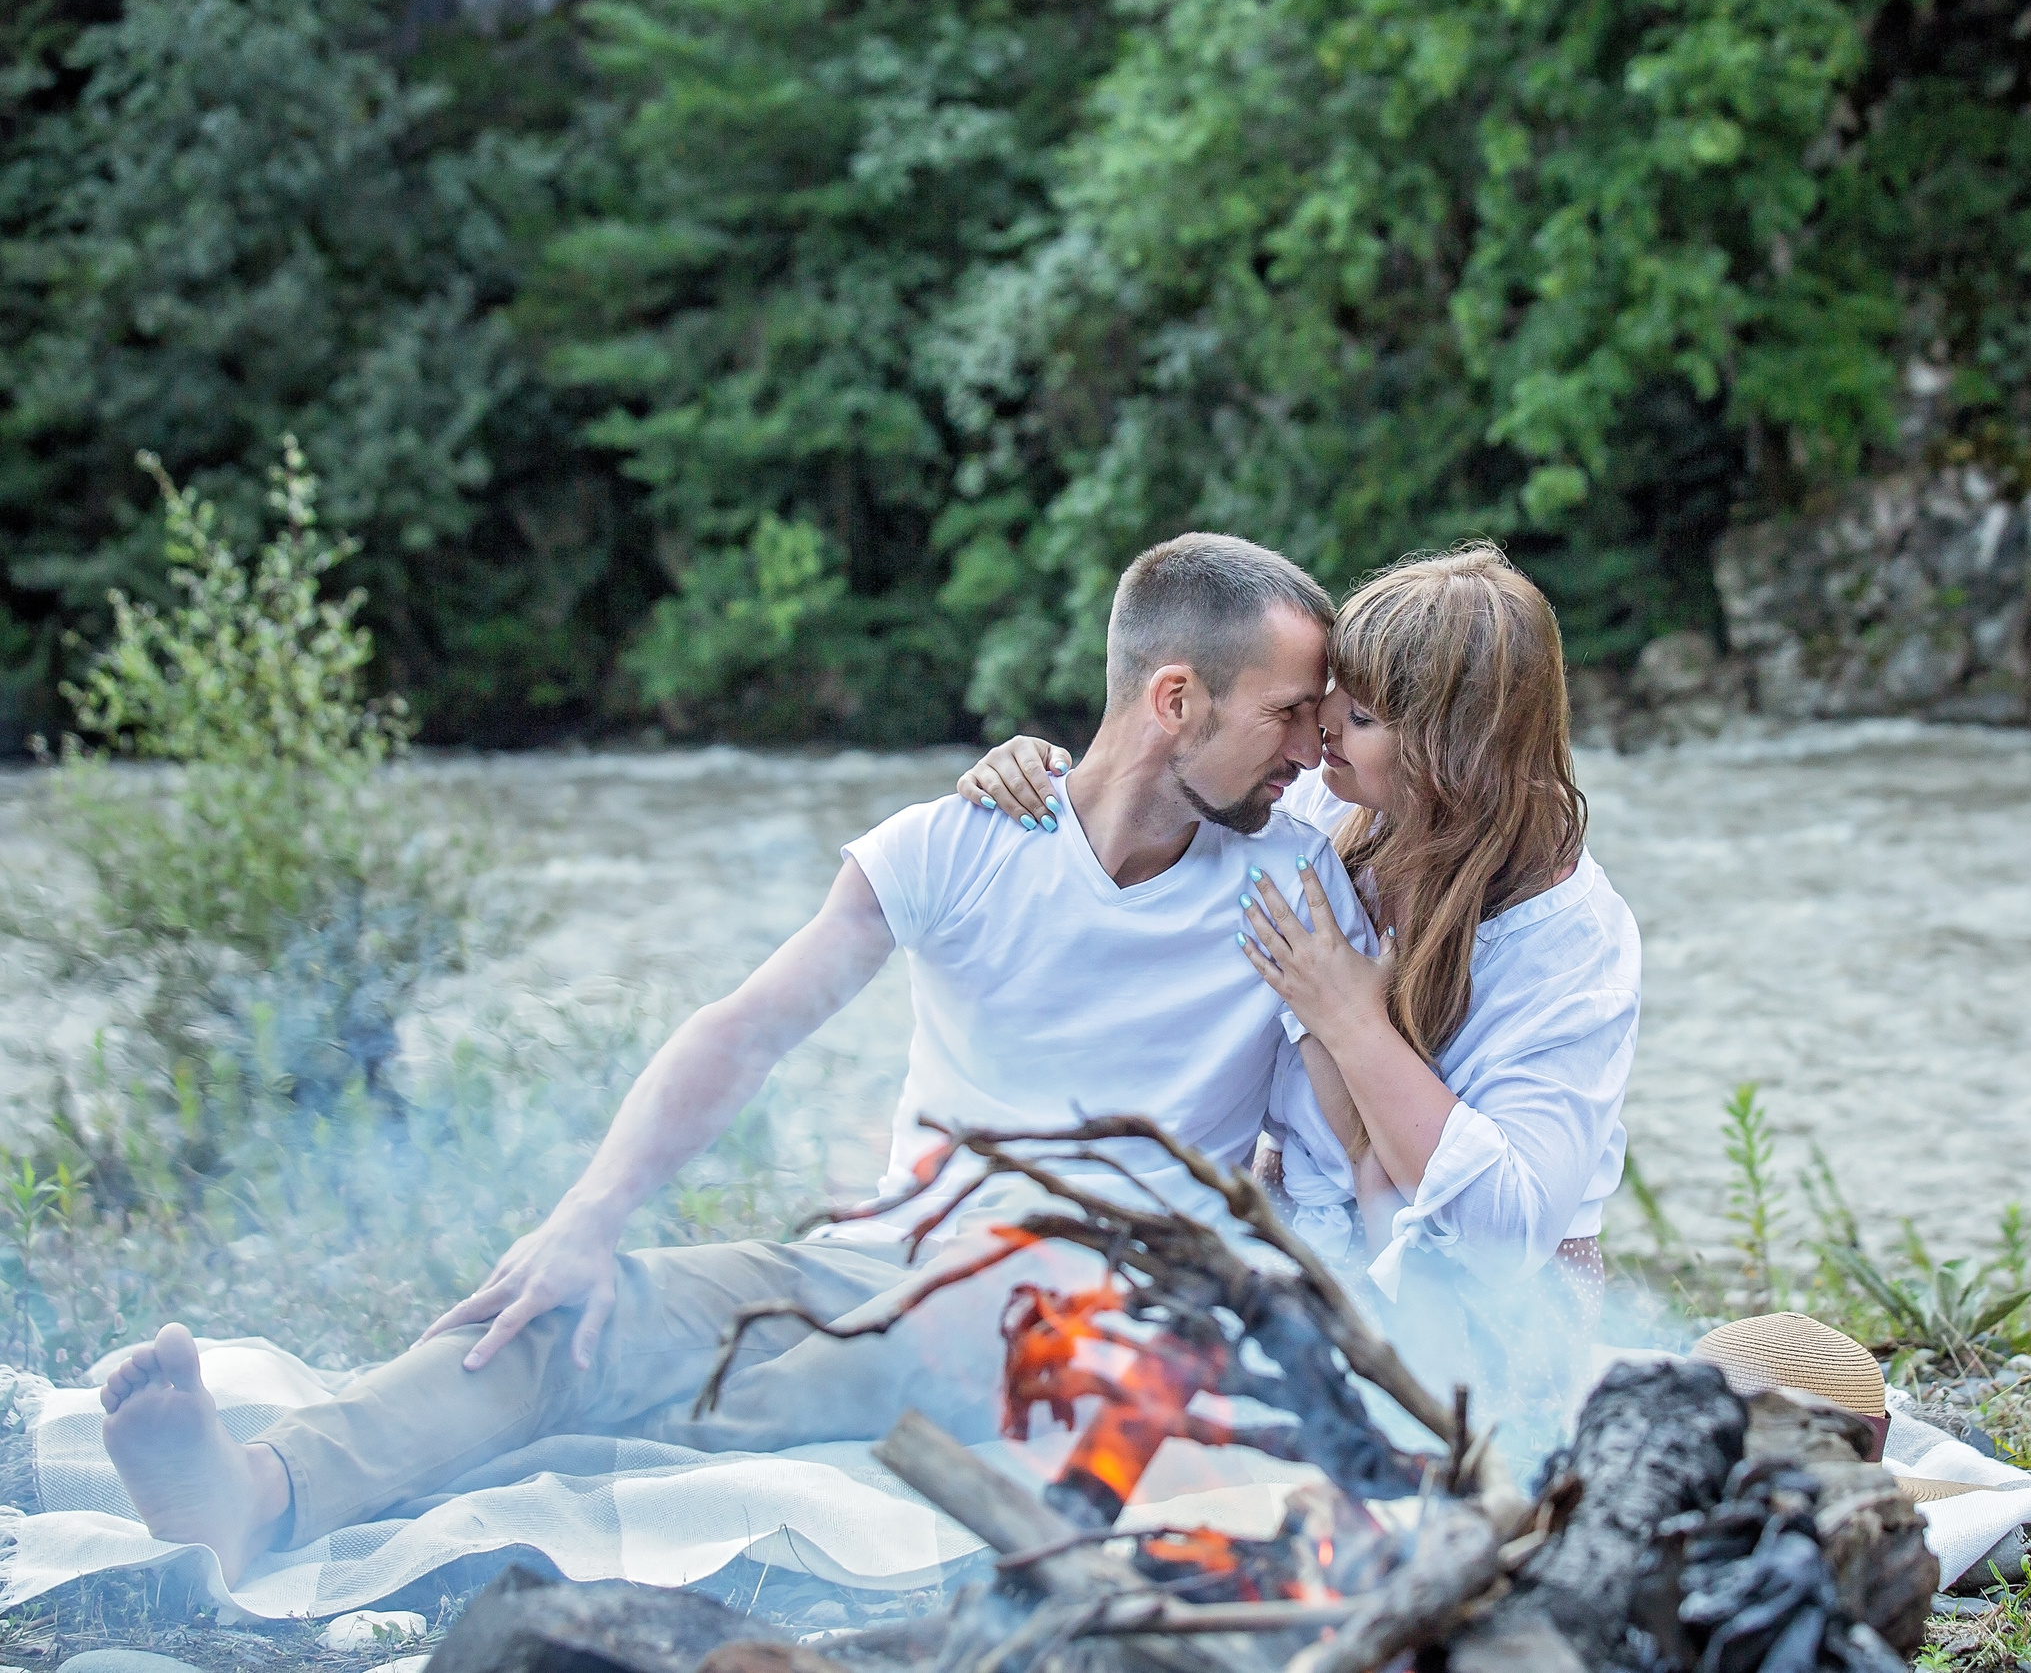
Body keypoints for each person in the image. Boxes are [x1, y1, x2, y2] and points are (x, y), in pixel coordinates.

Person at [95, 533, 1376, 1584]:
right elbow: (745, 1029)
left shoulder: (1294, 877)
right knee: (566, 1312)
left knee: (972, 1300)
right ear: (1173, 698)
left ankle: (722, 1403)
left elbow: (1335, 1145)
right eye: (1288, 715)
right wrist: (584, 1220)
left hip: (1102, 1320)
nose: (1312, 751)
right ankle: (258, 1493)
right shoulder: (962, 842)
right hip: (887, 1270)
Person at [958, 545, 1639, 1371]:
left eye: (1361, 716)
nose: (1320, 732)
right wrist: (1041, 775)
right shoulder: (1328, 802)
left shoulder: (1568, 935)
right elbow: (1156, 796)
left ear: (1454, 746)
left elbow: (1506, 1234)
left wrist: (1355, 1021)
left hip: (1487, 1333)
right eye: (1328, 699)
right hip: (1300, 1254)